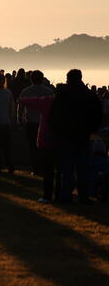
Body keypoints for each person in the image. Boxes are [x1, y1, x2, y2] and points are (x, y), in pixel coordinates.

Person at [48, 69, 103, 203]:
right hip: (83, 136)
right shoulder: (89, 95)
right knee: (83, 168)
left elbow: (53, 116)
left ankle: (66, 195)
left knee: (67, 169)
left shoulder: (62, 95)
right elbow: (97, 115)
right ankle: (83, 195)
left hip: (66, 136)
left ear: (69, 79)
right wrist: (90, 130)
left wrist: (57, 131)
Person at [19, 70, 55, 175]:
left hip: (31, 123)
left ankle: (35, 168)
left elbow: (20, 106)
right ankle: (44, 167)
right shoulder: (48, 91)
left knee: (32, 146)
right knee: (45, 147)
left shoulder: (25, 91)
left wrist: (20, 119)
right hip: (45, 123)